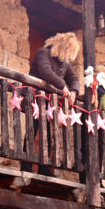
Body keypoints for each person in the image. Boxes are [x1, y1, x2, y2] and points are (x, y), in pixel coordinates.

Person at [21, 32, 81, 175]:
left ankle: (44, 167)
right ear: (63, 46)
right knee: (32, 131)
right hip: (34, 100)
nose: (69, 56)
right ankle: (26, 165)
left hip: (49, 104)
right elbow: (45, 71)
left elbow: (74, 79)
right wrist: (63, 86)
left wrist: (73, 91)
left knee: (47, 134)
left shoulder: (64, 63)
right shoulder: (44, 52)